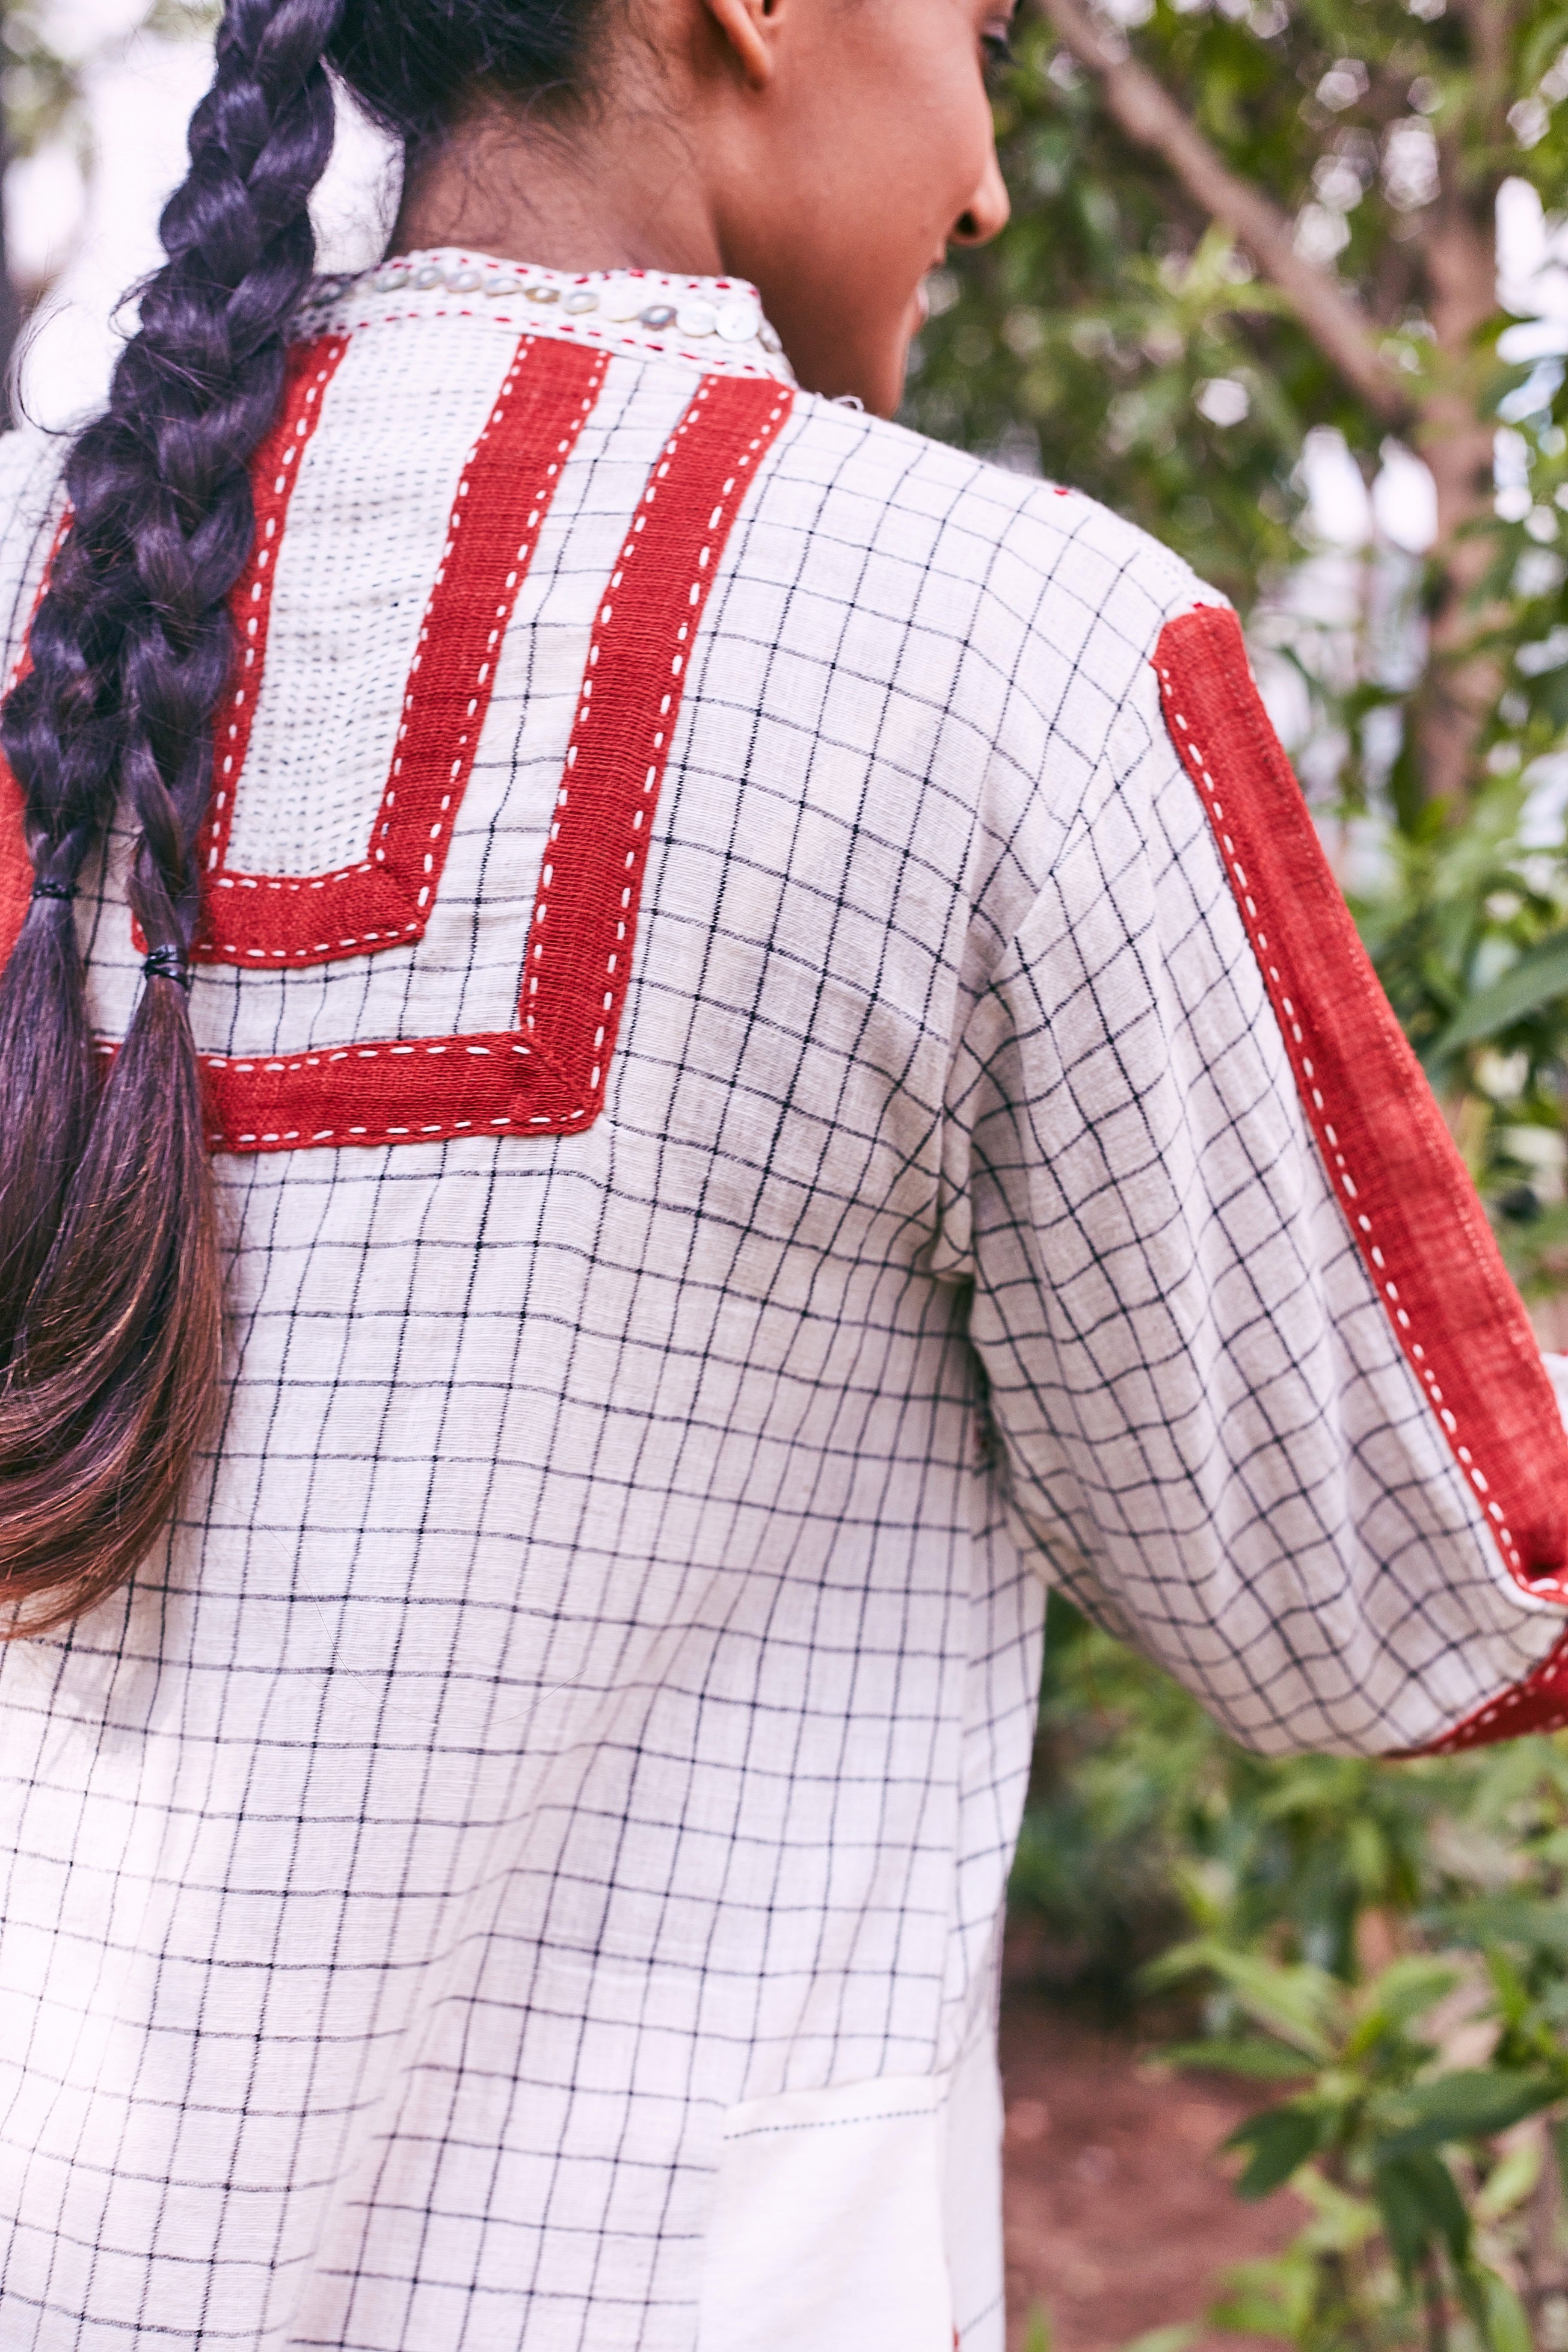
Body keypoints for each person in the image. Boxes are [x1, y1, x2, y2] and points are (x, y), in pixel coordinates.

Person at [0, 0, 1565, 2344]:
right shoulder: (1006, 650)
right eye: (988, 38)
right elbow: (1423, 1575)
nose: (989, 177)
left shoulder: (50, 562)